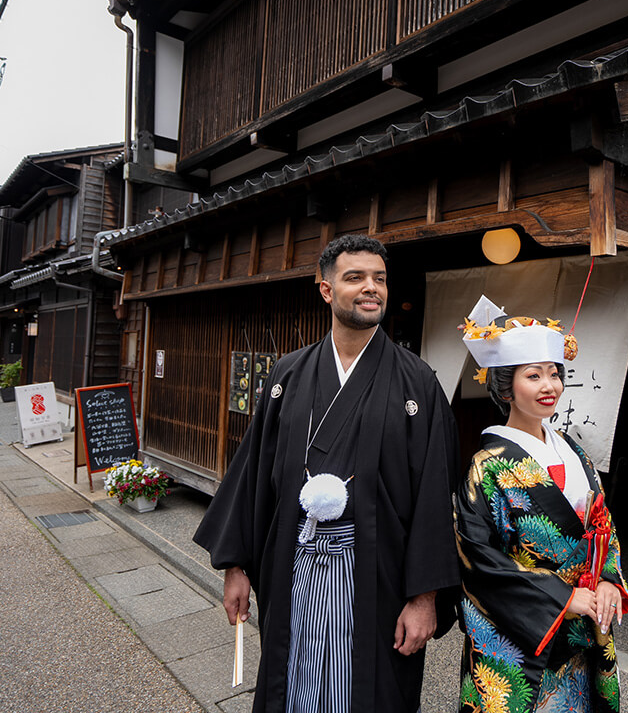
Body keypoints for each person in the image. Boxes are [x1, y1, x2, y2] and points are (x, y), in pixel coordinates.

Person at [193, 234, 460, 713]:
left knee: (370, 690)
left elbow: (435, 493)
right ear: (325, 289)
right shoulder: (288, 375)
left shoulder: (416, 379)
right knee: (291, 683)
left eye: (379, 278)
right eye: (354, 277)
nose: (370, 288)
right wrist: (236, 566)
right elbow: (254, 473)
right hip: (293, 563)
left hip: (377, 570)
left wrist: (424, 598)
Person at [454, 297, 628, 713]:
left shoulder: (573, 450)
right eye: (533, 376)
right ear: (506, 386)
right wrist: (561, 599)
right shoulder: (488, 467)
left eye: (554, 374)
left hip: (581, 626)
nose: (548, 386)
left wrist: (607, 579)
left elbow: (601, 521)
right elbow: (478, 559)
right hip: (522, 632)